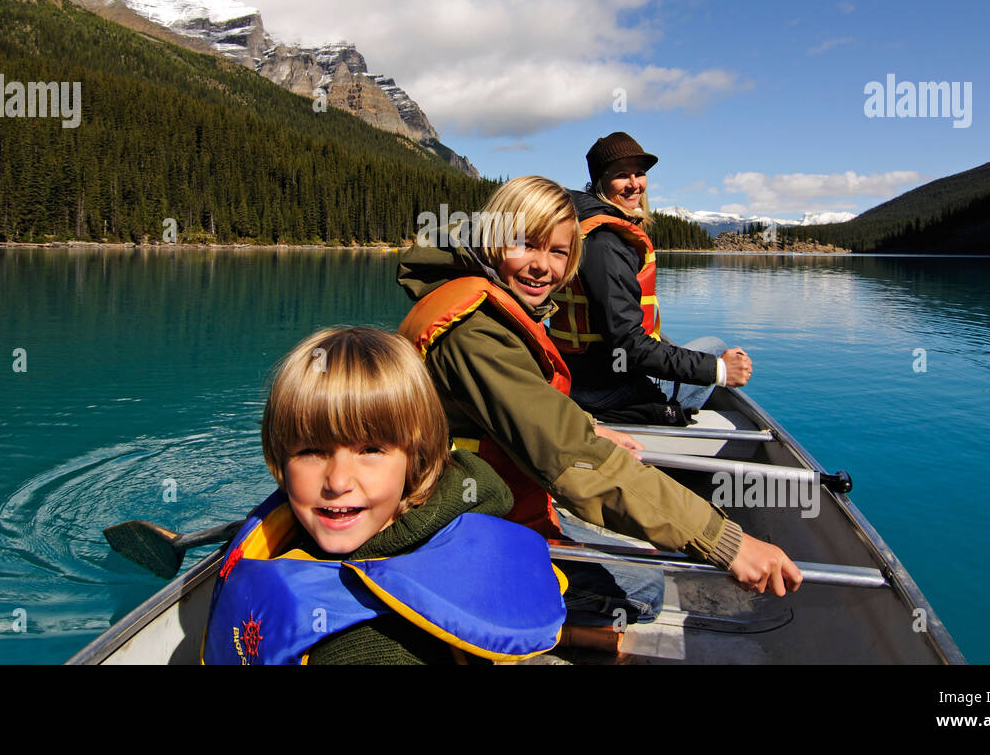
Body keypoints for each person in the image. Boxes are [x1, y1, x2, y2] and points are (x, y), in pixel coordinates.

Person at [397, 176, 800, 631]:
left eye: (557, 252)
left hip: (488, 502)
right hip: (456, 526)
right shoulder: (474, 334)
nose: (542, 267)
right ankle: (511, 627)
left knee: (637, 555)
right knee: (645, 590)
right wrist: (725, 541)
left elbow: (530, 403)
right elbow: (573, 461)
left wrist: (589, 423)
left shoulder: (479, 300)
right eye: (525, 245)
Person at [201, 327, 566, 665]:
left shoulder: (373, 648)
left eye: (370, 450)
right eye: (311, 451)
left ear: (416, 456)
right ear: (280, 457)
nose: (338, 481)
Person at [552, 131, 753, 423]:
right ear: (600, 182)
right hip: (606, 391)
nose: (635, 184)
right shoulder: (604, 243)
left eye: (640, 173)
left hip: (583, 375)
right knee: (716, 349)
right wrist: (718, 370)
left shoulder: (587, 226)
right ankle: (668, 418)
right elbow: (628, 345)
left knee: (705, 347)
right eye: (622, 175)